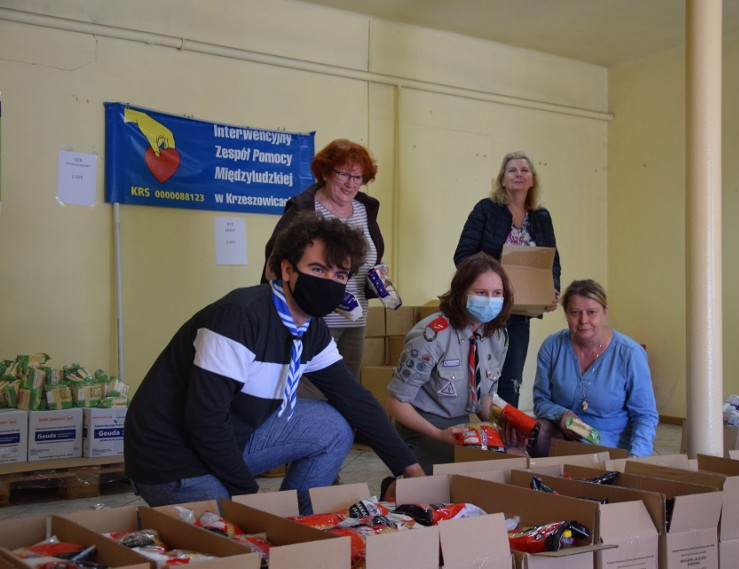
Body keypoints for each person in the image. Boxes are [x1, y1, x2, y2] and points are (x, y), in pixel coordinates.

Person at [125, 213, 424, 514]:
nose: (329, 282)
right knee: (242, 546)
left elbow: (355, 399)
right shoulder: (239, 317)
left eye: (339, 275)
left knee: (333, 426)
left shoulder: (311, 328)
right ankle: (277, 521)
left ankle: (299, 520)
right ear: (286, 269)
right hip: (171, 458)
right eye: (317, 269)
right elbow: (205, 421)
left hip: (230, 437)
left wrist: (409, 468)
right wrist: (254, 496)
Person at [262, 138, 383, 381]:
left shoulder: (364, 210)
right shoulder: (304, 209)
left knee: (346, 391)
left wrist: (380, 279)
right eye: (344, 175)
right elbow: (272, 270)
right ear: (326, 173)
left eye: (358, 177)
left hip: (356, 321)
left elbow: (366, 260)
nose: (351, 184)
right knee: (307, 391)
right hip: (311, 319)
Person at [386, 254, 515, 474]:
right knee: (440, 488)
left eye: (497, 293)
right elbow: (396, 403)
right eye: (481, 293)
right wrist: (438, 434)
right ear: (461, 292)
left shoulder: (496, 335)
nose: (490, 300)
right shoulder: (431, 335)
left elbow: (484, 400)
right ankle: (396, 486)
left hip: (461, 429)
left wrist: (510, 423)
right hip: (422, 430)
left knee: (515, 463)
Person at [453, 150, 560, 409]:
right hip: (484, 308)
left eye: (525, 170)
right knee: (480, 374)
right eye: (512, 170)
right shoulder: (486, 210)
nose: (519, 175)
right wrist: (492, 277)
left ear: (532, 180)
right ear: (502, 179)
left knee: (511, 378)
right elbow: (463, 256)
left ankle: (508, 439)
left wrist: (552, 289)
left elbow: (551, 261)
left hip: (520, 311)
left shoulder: (541, 217)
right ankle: (477, 436)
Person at [531, 279, 659, 457]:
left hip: (609, 445)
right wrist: (562, 415)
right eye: (575, 312)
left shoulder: (629, 353)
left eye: (592, 312)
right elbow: (540, 402)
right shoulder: (552, 346)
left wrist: (636, 457)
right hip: (563, 436)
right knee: (536, 431)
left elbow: (645, 415)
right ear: (566, 314)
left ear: (605, 313)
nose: (583, 320)